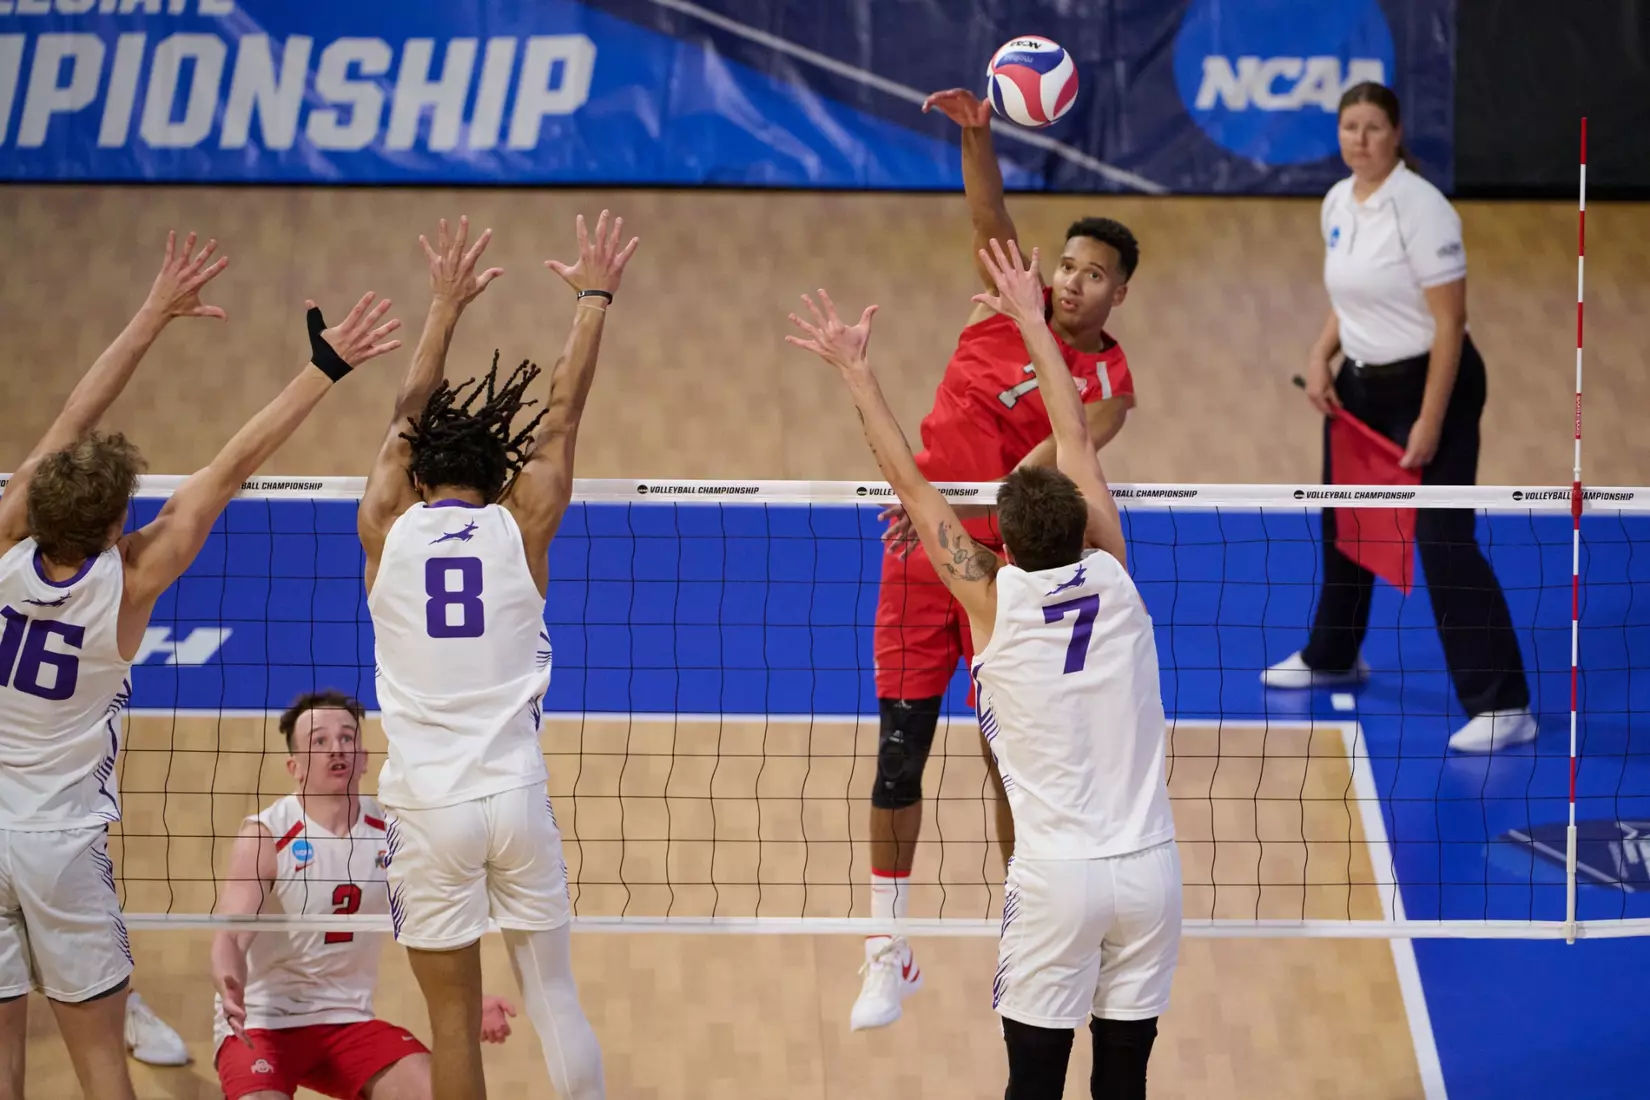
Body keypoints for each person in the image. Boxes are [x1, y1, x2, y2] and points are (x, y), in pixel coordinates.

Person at [0, 231, 400, 1100]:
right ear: (114, 527)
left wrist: (149, 315)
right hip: (56, 846)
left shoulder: (3, 535)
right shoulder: (129, 582)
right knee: (104, 1063)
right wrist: (324, 370)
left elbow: (68, 422)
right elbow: (230, 467)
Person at [786, 238, 1179, 1099]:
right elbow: (1072, 432)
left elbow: (915, 489)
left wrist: (856, 371)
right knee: (1125, 1085)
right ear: (1086, 525)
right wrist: (1040, 327)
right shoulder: (1118, 581)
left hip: (1058, 886)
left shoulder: (994, 604)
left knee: (1030, 1088)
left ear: (1004, 547)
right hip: (1152, 871)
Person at [845, 85, 1143, 1032]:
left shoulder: (1109, 381)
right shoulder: (1003, 303)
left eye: (1094, 275)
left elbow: (1063, 449)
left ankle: (1033, 930)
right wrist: (978, 134)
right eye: (1066, 266)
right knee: (898, 760)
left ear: (1119, 293)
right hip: (924, 559)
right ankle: (884, 949)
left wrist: (950, 505)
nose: (1071, 282)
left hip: (1008, 576)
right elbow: (988, 213)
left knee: (1016, 767)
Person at [355, 212, 636, 1100]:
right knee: (553, 996)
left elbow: (402, 420)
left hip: (427, 805)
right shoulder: (522, 528)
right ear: (498, 470)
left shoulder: (384, 528)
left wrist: (443, 307)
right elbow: (561, 415)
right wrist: (593, 299)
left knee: (450, 1025)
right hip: (515, 795)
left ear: (419, 473)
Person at [1262, 82, 1535, 754]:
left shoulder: (1422, 208)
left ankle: (1505, 705)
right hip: (1360, 385)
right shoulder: (1336, 201)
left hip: (1431, 383)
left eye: (1373, 128)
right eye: (1349, 127)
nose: (1360, 139)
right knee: (1346, 521)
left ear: (1396, 132)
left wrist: (1431, 419)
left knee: (1442, 538)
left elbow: (1450, 322)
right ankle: (1334, 653)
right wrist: (1321, 356)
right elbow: (1350, 298)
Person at [211, 690, 517, 1100]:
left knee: (440, 1092)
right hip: (264, 1021)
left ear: (365, 756)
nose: (336, 748)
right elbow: (231, 934)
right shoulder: (266, 835)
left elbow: (433, 923)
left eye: (347, 737)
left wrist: (470, 1001)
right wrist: (231, 986)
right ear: (295, 766)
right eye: (319, 741)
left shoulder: (393, 832)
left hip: (347, 1022)